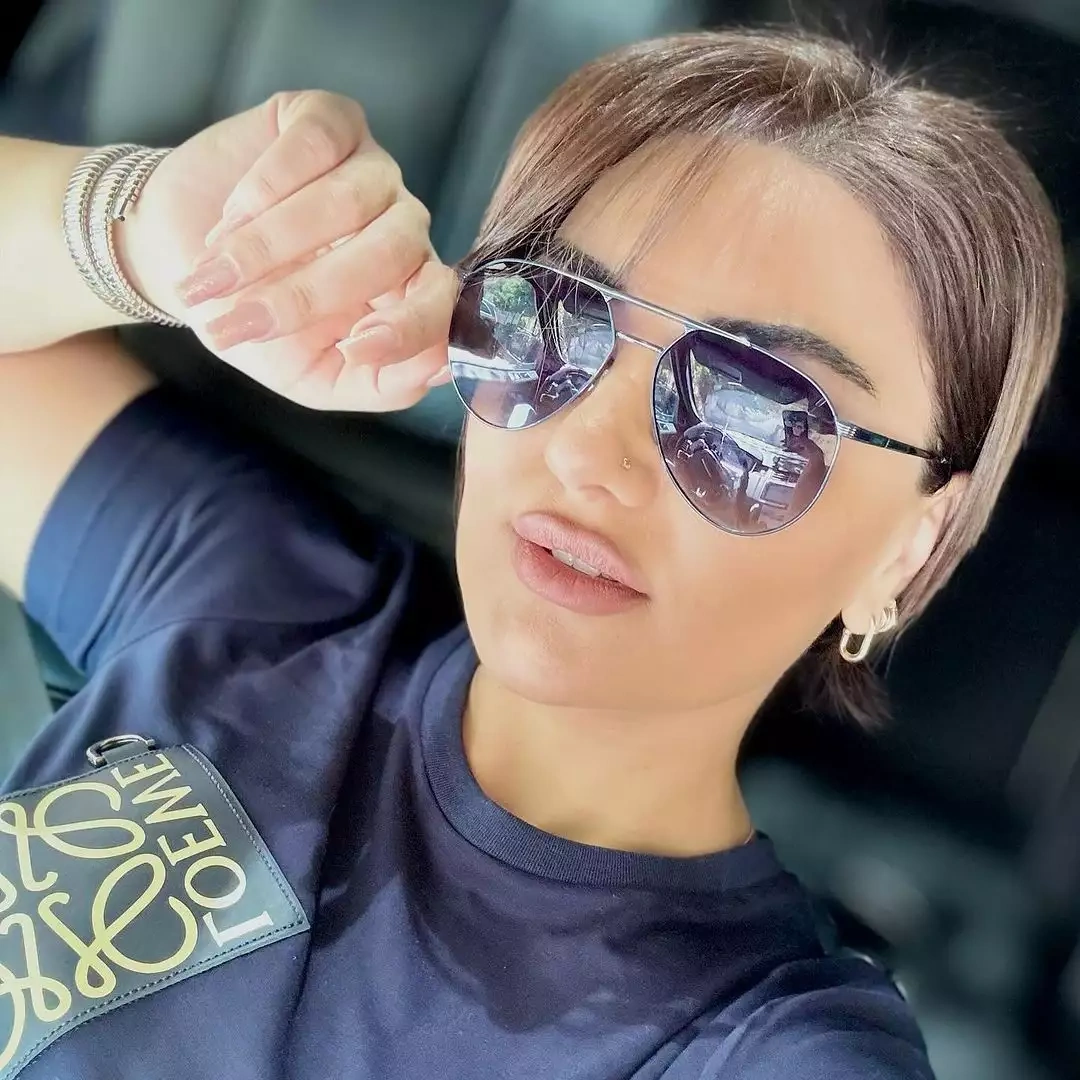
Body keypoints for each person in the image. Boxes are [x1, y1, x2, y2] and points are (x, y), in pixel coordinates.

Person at [0, 28, 1064, 1080]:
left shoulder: (766, 1047)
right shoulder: (251, 588)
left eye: (753, 415)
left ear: (909, 548)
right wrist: (135, 232)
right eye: (553, 315)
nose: (588, 452)